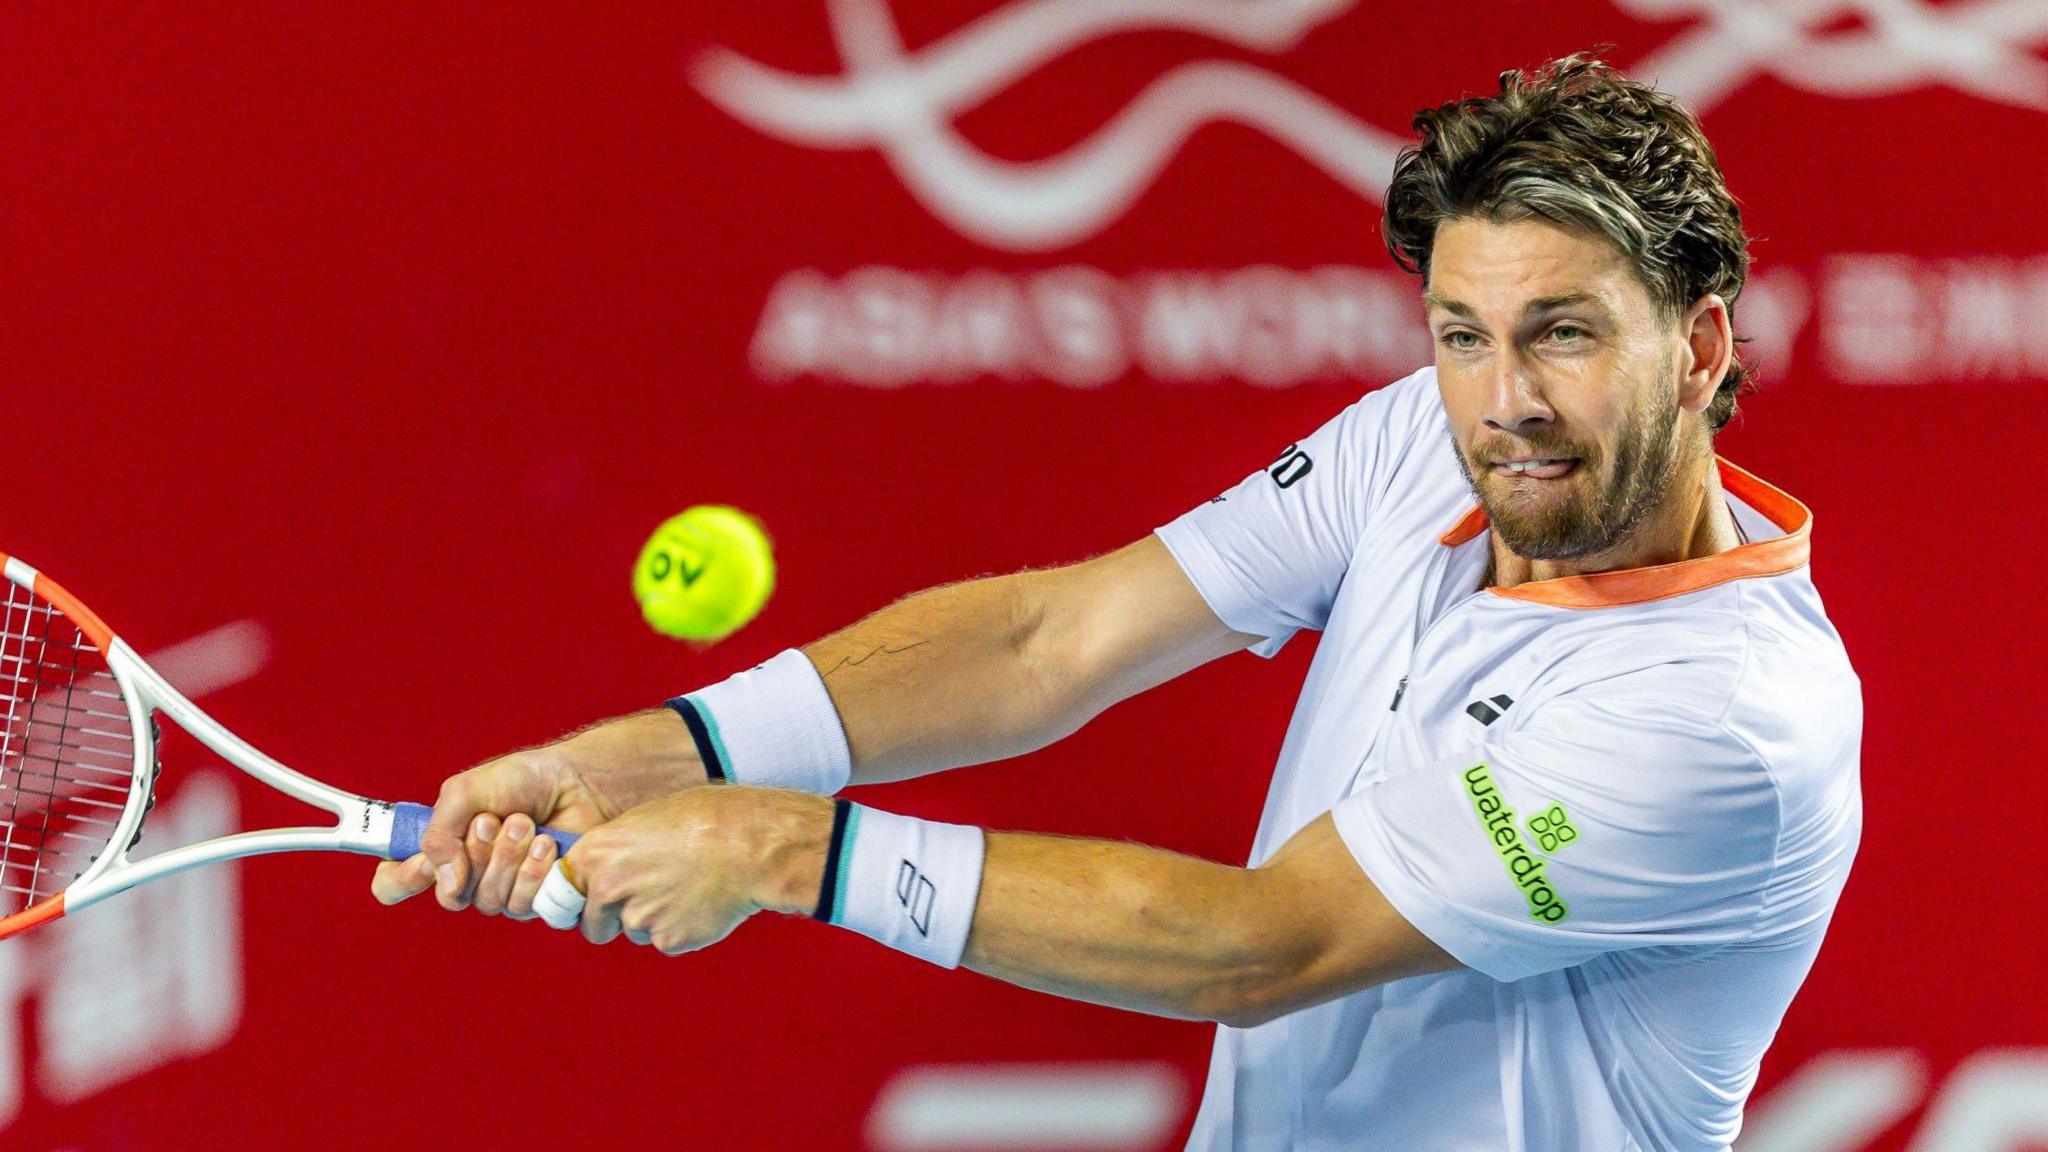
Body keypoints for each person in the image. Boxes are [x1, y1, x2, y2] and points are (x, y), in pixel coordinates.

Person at [371, 54, 1860, 1150]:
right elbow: (1049, 641)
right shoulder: (1422, 437)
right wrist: (661, 756)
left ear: (1701, 343)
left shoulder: (1726, 722)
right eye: (1462, 334)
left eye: (1565, 335)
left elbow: (1263, 943)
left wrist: (784, 849)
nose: (1505, 400)